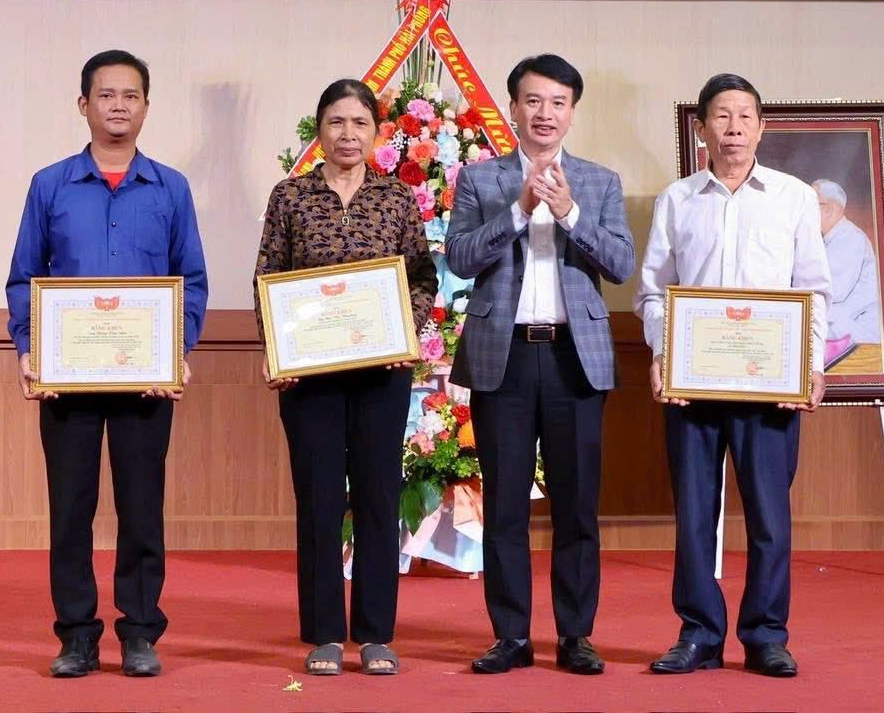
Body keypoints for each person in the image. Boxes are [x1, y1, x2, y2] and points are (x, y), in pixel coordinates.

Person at [5, 49, 209, 680]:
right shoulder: (50, 185)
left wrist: (177, 350)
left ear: (146, 107)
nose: (118, 105)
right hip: (68, 381)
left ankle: (140, 633)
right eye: (106, 94)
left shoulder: (171, 188)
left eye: (130, 95)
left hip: (145, 382)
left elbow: (192, 281)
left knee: (142, 509)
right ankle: (76, 636)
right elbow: (24, 277)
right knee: (70, 510)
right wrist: (29, 347)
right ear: (83, 105)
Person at [446, 53, 635, 677]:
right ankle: (511, 636)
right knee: (504, 504)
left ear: (572, 112)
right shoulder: (481, 179)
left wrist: (571, 213)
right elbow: (460, 259)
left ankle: (576, 635)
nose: (544, 113)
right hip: (502, 357)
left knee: (577, 505)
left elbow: (621, 265)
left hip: (574, 357)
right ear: (513, 108)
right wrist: (519, 211)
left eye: (557, 102)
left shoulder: (600, 182)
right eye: (533, 101)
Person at [636, 73, 829, 680]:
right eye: (722, 116)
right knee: (695, 515)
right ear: (702, 128)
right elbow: (653, 292)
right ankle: (699, 634)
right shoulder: (676, 200)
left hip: (771, 385)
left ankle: (766, 636)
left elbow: (813, 290)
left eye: (746, 116)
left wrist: (810, 364)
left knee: (770, 516)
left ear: (762, 128)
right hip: (692, 386)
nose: (734, 128)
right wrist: (663, 353)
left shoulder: (793, 198)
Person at [255, 79, 437, 678]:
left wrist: (403, 330)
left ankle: (376, 634)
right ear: (319, 130)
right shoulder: (291, 196)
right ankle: (325, 633)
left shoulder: (396, 198)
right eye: (336, 122)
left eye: (360, 123)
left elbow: (422, 278)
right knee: (320, 499)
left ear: (377, 132)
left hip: (381, 373)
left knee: (380, 498)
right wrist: (276, 347)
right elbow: (268, 277)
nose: (348, 134)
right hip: (311, 377)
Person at [814, 178, 883, 366]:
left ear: (829, 209)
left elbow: (831, 291)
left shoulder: (850, 238)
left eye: (809, 204)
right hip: (838, 324)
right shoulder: (831, 238)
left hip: (855, 332)